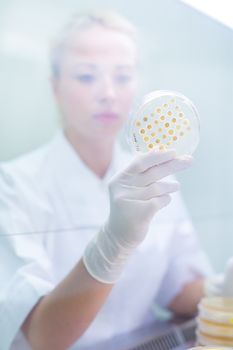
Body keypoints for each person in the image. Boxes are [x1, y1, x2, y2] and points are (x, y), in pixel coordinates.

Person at [0, 10, 230, 350]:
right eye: (86, 76)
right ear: (55, 87)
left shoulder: (151, 175)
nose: (108, 92)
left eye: (122, 77)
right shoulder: (13, 187)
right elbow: (44, 336)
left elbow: (179, 291)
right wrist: (113, 244)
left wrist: (220, 287)